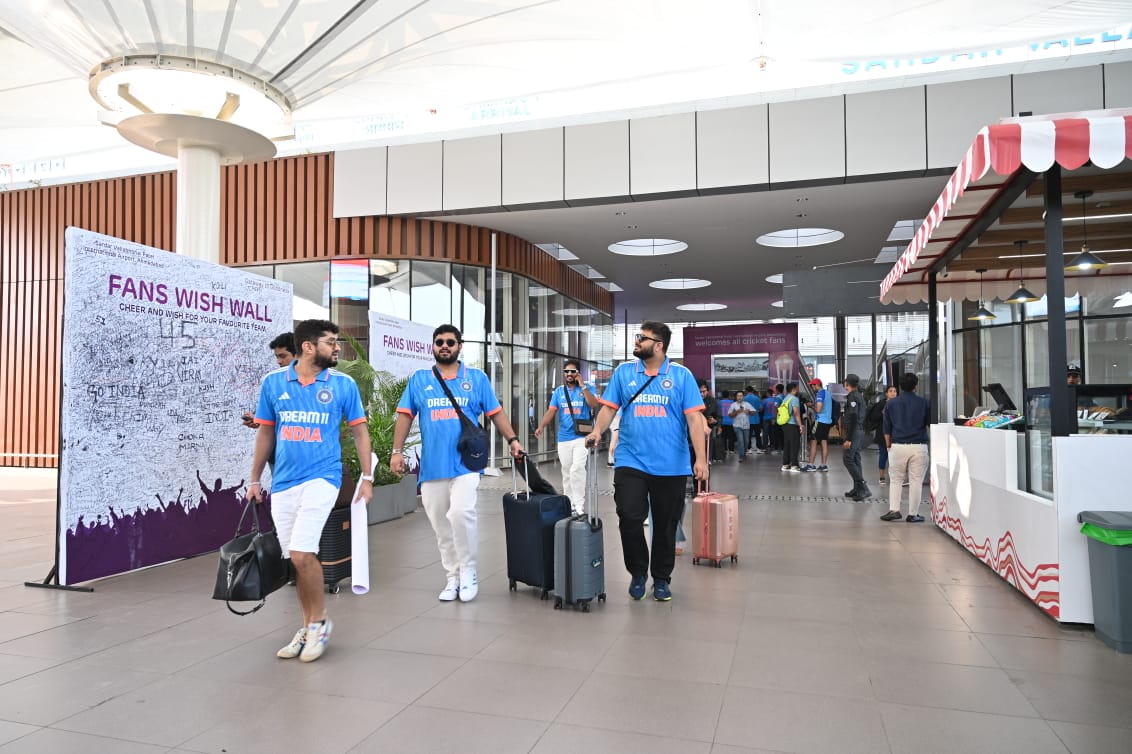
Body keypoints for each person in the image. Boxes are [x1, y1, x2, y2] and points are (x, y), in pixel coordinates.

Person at [247, 319, 371, 663]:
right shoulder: (273, 383)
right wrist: (255, 479)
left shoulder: (343, 385)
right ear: (308, 346)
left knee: (303, 553)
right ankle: (306, 624)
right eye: (331, 342)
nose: (337, 348)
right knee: (296, 561)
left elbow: (360, 432)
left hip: (323, 477)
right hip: (284, 483)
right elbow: (265, 434)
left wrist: (368, 476)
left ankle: (319, 623)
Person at [391, 324, 525, 603]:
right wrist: (396, 451)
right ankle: (452, 576)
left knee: (461, 514)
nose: (444, 346)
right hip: (432, 467)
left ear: (459, 346)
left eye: (450, 342)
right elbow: (405, 416)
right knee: (441, 525)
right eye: (439, 341)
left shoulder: (475, 378)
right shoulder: (419, 380)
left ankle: (469, 572)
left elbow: (496, 412)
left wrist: (512, 439)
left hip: (466, 463)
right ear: (433, 345)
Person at [584, 321, 708, 602]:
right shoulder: (624, 372)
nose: (636, 341)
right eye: (637, 337)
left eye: (642, 338)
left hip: (671, 465)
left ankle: (662, 579)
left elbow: (693, 419)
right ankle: (638, 573)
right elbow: (608, 408)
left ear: (659, 345)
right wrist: (597, 431)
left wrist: (700, 458)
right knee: (629, 516)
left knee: (665, 525)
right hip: (631, 460)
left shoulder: (681, 375)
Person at [533, 359, 600, 515]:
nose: (569, 374)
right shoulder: (559, 392)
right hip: (564, 438)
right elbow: (551, 411)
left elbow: (593, 404)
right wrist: (541, 426)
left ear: (578, 373)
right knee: (567, 471)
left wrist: (582, 385)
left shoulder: (587, 387)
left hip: (581, 437)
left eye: (573, 371)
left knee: (577, 468)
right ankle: (569, 503)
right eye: (566, 371)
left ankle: (579, 504)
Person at [880, 373, 932, 522]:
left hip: (897, 446)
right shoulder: (924, 403)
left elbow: (886, 428)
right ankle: (913, 514)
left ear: (900, 386)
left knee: (896, 480)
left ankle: (894, 510)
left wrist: (889, 446)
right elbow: (929, 424)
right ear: (916, 386)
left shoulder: (891, 404)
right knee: (916, 481)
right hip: (919, 446)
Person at [241, 332, 296, 429]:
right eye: (277, 357)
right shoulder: (275, 383)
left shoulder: (320, 384)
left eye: (283, 356)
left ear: (298, 355)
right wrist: (260, 421)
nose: (278, 361)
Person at [841, 373, 870, 500]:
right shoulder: (858, 395)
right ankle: (857, 488)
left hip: (854, 431)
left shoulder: (852, 397)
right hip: (859, 430)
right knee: (856, 458)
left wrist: (848, 438)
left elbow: (853, 417)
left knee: (848, 458)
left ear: (847, 384)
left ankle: (863, 487)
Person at [867, 385, 897, 483]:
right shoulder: (881, 404)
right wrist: (882, 413)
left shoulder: (899, 404)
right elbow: (874, 417)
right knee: (883, 455)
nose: (893, 393)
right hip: (882, 433)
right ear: (886, 393)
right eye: (890, 391)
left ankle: (894, 476)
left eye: (895, 391)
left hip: (896, 434)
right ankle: (881, 476)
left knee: (895, 456)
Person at [803, 378, 832, 471]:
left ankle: (811, 465)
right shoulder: (827, 393)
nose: (812, 387)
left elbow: (819, 409)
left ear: (817, 385)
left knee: (813, 441)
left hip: (820, 421)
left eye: (812, 386)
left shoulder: (820, 394)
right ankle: (823, 465)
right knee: (824, 442)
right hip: (827, 421)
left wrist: (811, 405)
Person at [727, 390, 756, 461]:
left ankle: (744, 453)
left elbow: (754, 412)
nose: (739, 397)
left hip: (746, 425)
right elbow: (729, 415)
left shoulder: (747, 404)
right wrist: (737, 412)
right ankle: (741, 456)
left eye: (741, 396)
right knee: (740, 441)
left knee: (746, 441)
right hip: (737, 426)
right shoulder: (733, 405)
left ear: (743, 397)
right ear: (736, 397)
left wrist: (748, 411)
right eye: (738, 396)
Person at [780, 382, 802, 472]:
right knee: (794, 444)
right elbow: (796, 413)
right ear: (793, 389)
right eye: (797, 388)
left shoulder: (786, 398)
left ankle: (785, 464)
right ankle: (794, 465)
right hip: (792, 424)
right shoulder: (794, 399)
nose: (798, 389)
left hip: (785, 424)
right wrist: (801, 425)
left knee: (787, 444)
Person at [698, 381, 722, 462]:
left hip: (709, 427)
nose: (702, 394)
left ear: (707, 391)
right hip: (694, 427)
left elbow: (718, 414)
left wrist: (716, 422)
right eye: (699, 391)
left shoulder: (712, 401)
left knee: (708, 444)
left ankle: (708, 459)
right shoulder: (691, 400)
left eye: (704, 391)